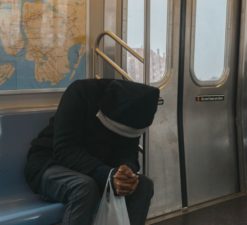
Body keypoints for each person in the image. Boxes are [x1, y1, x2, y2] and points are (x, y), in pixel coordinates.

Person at [24, 78, 160, 225]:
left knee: (143, 186)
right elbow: (64, 150)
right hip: (50, 163)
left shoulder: (135, 110)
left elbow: (128, 152)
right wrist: (108, 175)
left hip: (96, 169)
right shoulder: (80, 92)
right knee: (84, 187)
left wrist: (126, 172)